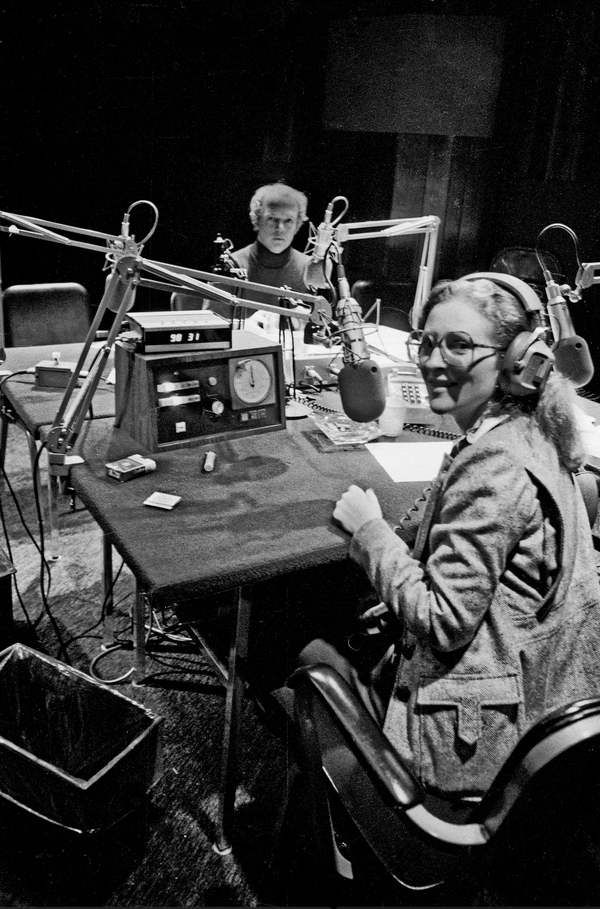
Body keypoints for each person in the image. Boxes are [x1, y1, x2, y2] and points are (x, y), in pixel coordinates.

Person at [286, 273, 600, 798]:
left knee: (298, 646)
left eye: (457, 345)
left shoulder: (496, 467)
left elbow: (444, 621)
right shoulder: (523, 432)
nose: (432, 361)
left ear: (517, 360)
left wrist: (370, 532)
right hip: (544, 704)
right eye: (426, 343)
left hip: (477, 745)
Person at [229, 182, 312, 323]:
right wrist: (246, 325)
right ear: (257, 219)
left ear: (297, 225)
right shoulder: (232, 265)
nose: (279, 229)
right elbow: (211, 329)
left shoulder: (309, 269)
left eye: (288, 221)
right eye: (272, 219)